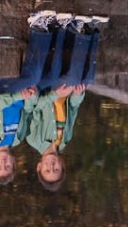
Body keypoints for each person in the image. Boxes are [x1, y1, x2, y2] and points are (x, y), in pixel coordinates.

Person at [0, 11, 60, 185]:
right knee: (51, 78)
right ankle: (57, 27)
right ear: (14, 162)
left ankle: (39, 27)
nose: (3, 163)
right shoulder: (18, 138)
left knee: (34, 77)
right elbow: (28, 110)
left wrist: (18, 95)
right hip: (23, 89)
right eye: (7, 166)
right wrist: (30, 96)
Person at [27, 14, 104, 191]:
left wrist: (56, 94)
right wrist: (77, 95)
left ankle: (76, 29)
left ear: (39, 166)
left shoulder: (34, 140)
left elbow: (34, 106)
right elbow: (73, 108)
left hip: (47, 88)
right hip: (65, 91)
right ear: (62, 164)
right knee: (87, 79)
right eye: (56, 169)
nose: (51, 166)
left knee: (73, 77)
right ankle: (90, 29)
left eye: (47, 169)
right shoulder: (65, 140)